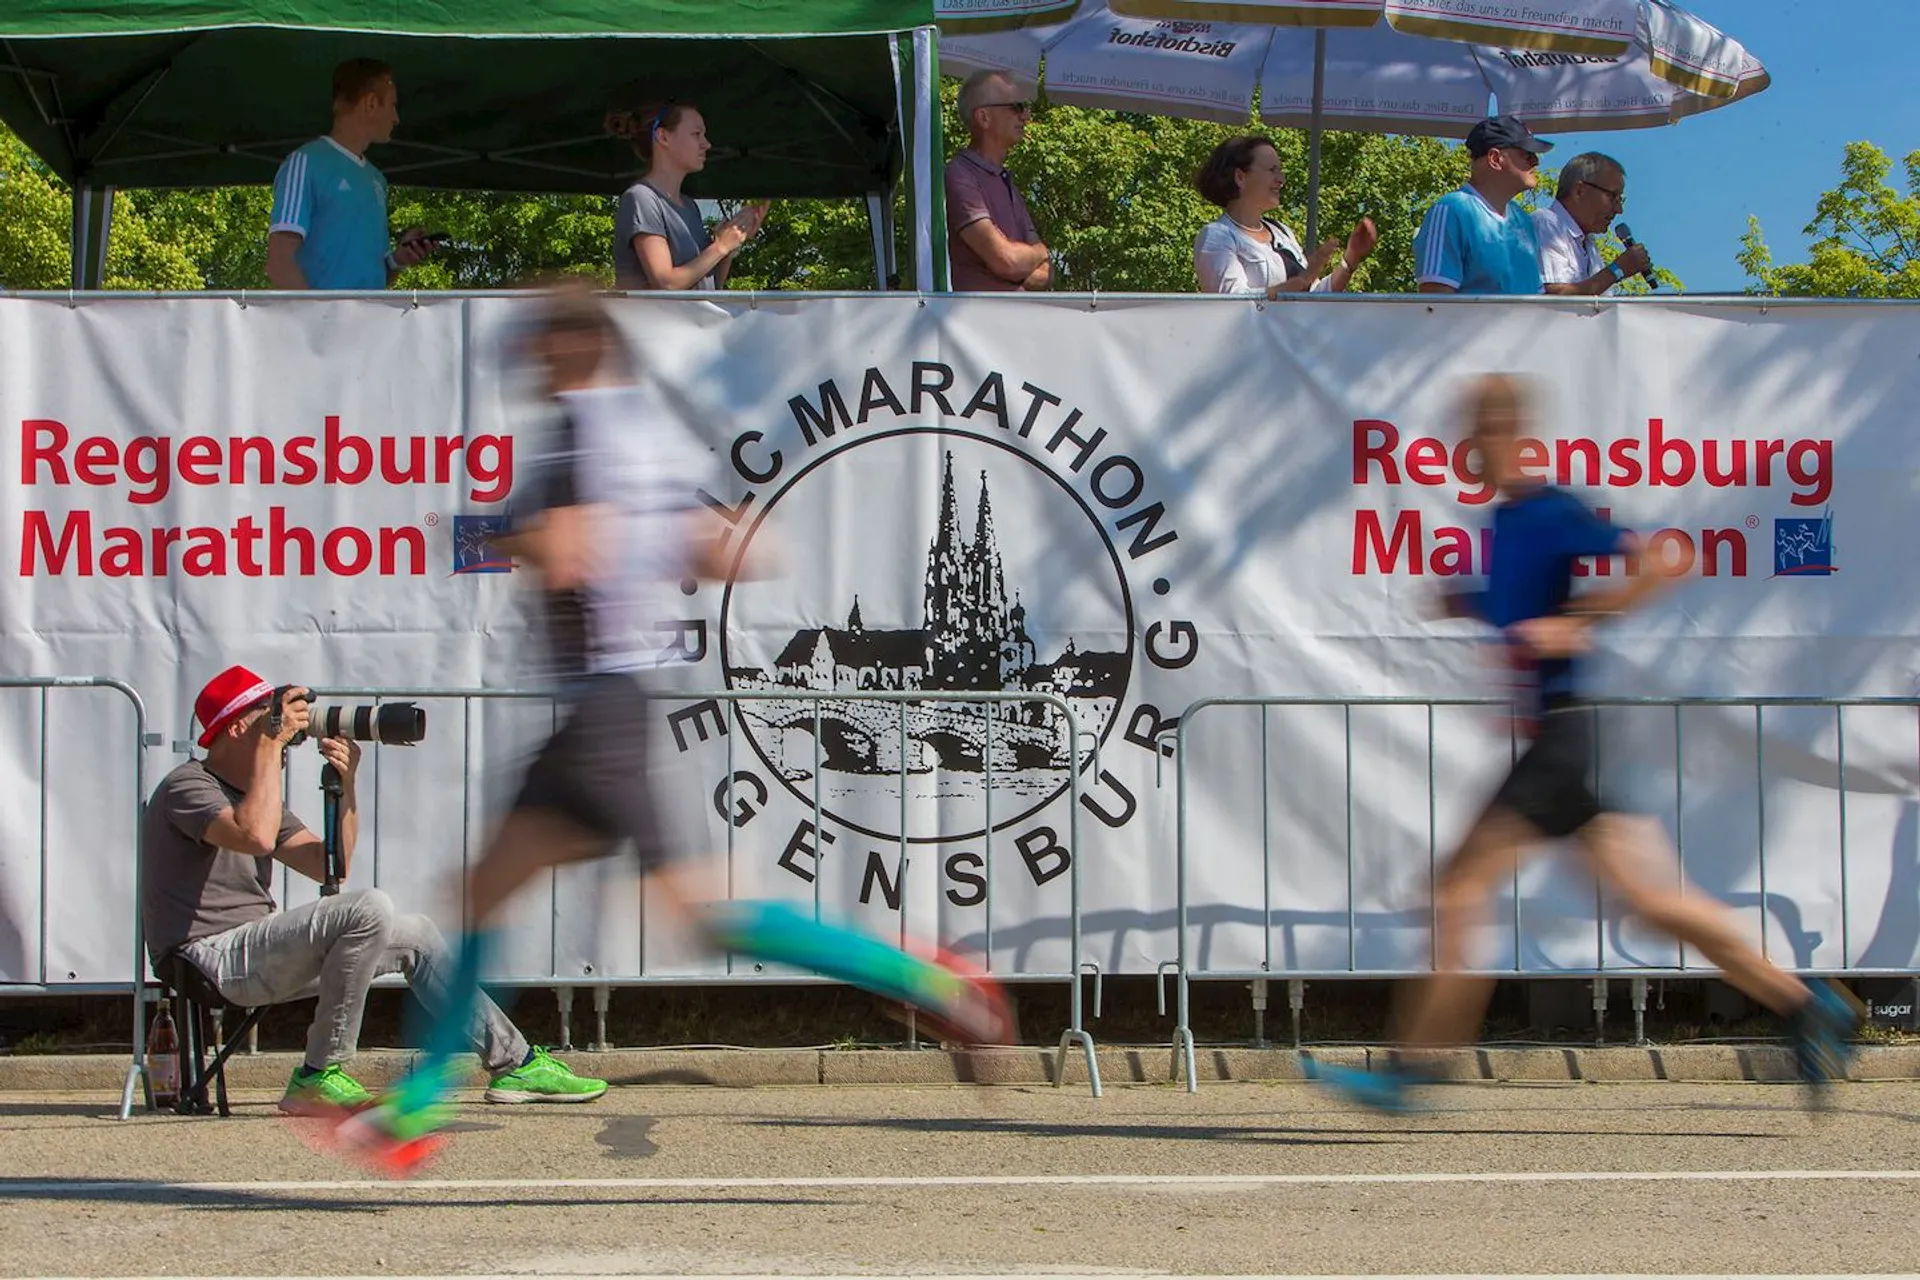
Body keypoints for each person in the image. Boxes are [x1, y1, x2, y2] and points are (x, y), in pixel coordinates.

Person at [339, 284, 1011, 1168]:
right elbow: (731, 549)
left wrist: (504, 541)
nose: (530, 363)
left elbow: (574, 550)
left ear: (577, 348)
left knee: (543, 899)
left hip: (599, 705)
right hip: (614, 703)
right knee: (669, 910)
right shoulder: (641, 435)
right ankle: (928, 979)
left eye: (541, 346)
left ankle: (417, 1108)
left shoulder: (584, 438)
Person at [1311, 374, 1863, 1115]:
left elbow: (1665, 561)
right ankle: (1806, 1004)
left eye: (1476, 433)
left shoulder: (1547, 510)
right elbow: (1522, 603)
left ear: (1503, 435)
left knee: (1455, 889)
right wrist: (1467, 604)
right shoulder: (1503, 525)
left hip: (1564, 740)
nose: (1466, 448)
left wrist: (1582, 622)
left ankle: (1417, 1067)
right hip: (1566, 740)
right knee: (1653, 905)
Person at [141, 664, 607, 1112]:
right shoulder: (188, 786)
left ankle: (516, 1064)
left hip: (255, 952)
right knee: (368, 907)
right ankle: (319, 1075)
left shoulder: (257, 797)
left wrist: (347, 787)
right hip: (205, 957)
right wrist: (271, 746)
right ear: (238, 729)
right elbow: (255, 836)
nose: (283, 729)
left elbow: (329, 864)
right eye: (266, 718)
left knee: (417, 935)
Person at [266, 60, 439, 291]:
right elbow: (279, 263)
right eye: (393, 105)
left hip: (369, 324)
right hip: (319, 325)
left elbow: (371, 278)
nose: (396, 118)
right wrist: (317, 321)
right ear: (370, 104)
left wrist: (398, 260)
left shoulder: (377, 179)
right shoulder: (305, 162)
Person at [607, 103, 767, 291]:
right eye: (696, 134)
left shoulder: (690, 206)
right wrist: (720, 247)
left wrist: (731, 246)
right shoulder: (641, 198)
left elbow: (708, 288)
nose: (707, 144)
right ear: (664, 137)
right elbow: (666, 283)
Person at [1192, 135, 1376, 296]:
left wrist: (1350, 258)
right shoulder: (1217, 236)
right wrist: (1297, 284)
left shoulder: (1282, 232)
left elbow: (1315, 297)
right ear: (1240, 177)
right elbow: (1235, 305)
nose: (1281, 179)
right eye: (1272, 170)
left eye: (1280, 170)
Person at [1413, 115, 1551, 296]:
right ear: (1495, 158)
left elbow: (1536, 298)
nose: (1536, 161)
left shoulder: (1523, 220)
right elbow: (1435, 305)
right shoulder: (1451, 210)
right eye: (1526, 154)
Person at [945, 71, 1050, 292]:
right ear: (984, 117)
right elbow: (1008, 262)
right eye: (1016, 106)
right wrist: (1040, 251)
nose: (1025, 116)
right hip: (978, 323)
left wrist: (1020, 262)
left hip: (1013, 320)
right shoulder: (959, 175)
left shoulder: (1006, 182)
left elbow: (1046, 272)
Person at [1535, 152, 1650, 296]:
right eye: (1612, 196)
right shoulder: (1547, 224)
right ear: (1579, 191)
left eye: (1620, 199)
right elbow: (1554, 301)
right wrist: (1617, 270)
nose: (1618, 209)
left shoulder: (1588, 242)